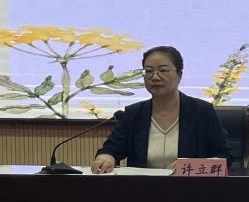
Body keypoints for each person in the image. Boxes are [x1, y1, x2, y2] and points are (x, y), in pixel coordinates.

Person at [91, 45, 229, 173]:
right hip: (142, 187)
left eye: (163, 70)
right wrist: (106, 158)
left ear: (179, 75)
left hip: (188, 187)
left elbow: (224, 157)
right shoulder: (134, 114)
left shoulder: (201, 112)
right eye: (149, 71)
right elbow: (111, 149)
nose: (155, 77)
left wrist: (190, 166)